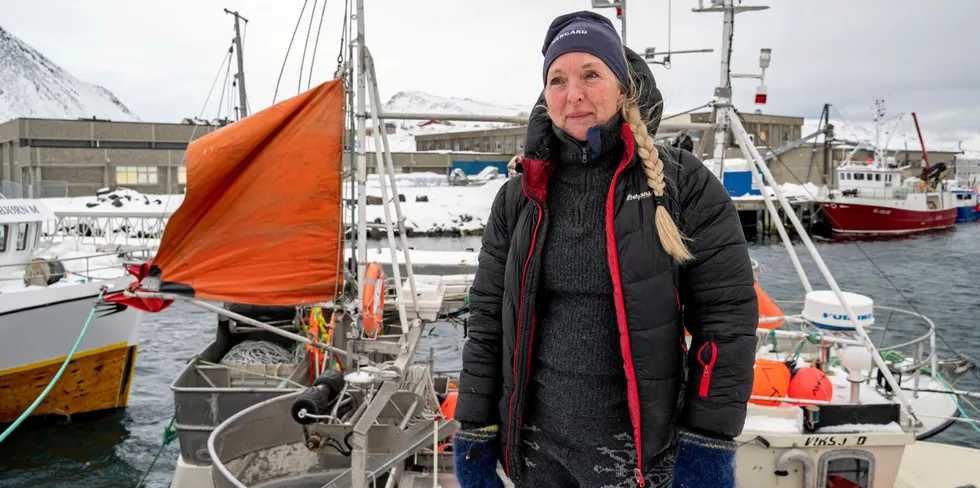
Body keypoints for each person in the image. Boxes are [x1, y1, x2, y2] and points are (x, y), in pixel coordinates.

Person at [452, 10, 757, 488]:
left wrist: (709, 442)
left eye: (590, 75)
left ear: (622, 86)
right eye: (557, 79)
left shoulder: (683, 185)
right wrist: (474, 429)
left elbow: (727, 321)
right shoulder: (518, 198)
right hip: (536, 458)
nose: (573, 94)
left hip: (639, 460)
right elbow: (489, 319)